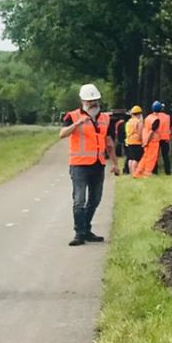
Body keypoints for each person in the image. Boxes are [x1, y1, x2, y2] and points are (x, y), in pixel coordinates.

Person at [59, 82, 115, 247]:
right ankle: (79, 233)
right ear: (83, 101)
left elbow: (109, 142)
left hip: (98, 164)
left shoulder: (105, 118)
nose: (93, 103)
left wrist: (115, 163)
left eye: (96, 100)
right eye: (90, 101)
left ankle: (86, 228)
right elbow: (62, 134)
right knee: (79, 199)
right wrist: (76, 125)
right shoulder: (72, 116)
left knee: (95, 199)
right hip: (79, 165)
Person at [133, 105, 163, 178]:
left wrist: (145, 141)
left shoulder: (148, 117)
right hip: (153, 141)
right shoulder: (156, 120)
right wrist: (147, 142)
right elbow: (151, 132)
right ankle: (147, 173)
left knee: (145, 157)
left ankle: (137, 173)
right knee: (151, 158)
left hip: (146, 140)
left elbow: (145, 129)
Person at [150, 100, 172, 175]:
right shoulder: (167, 117)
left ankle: (154, 171)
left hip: (155, 139)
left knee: (155, 155)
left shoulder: (153, 117)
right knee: (165, 156)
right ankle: (168, 171)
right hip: (165, 139)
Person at [124, 105, 145, 175]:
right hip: (137, 142)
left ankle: (131, 172)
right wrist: (143, 141)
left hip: (129, 142)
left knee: (131, 158)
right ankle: (135, 173)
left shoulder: (129, 122)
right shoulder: (139, 122)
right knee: (136, 159)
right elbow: (140, 133)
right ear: (139, 113)